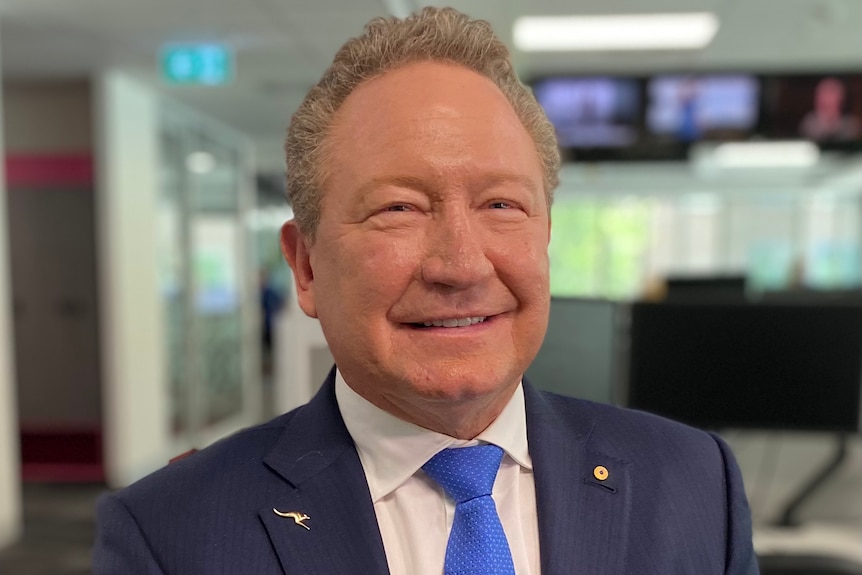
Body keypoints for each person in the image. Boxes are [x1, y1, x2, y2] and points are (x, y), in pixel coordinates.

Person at [93, 7, 758, 574]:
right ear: (306, 267)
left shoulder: (697, 483)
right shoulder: (168, 535)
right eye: (399, 209)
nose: (462, 265)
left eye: (501, 204)